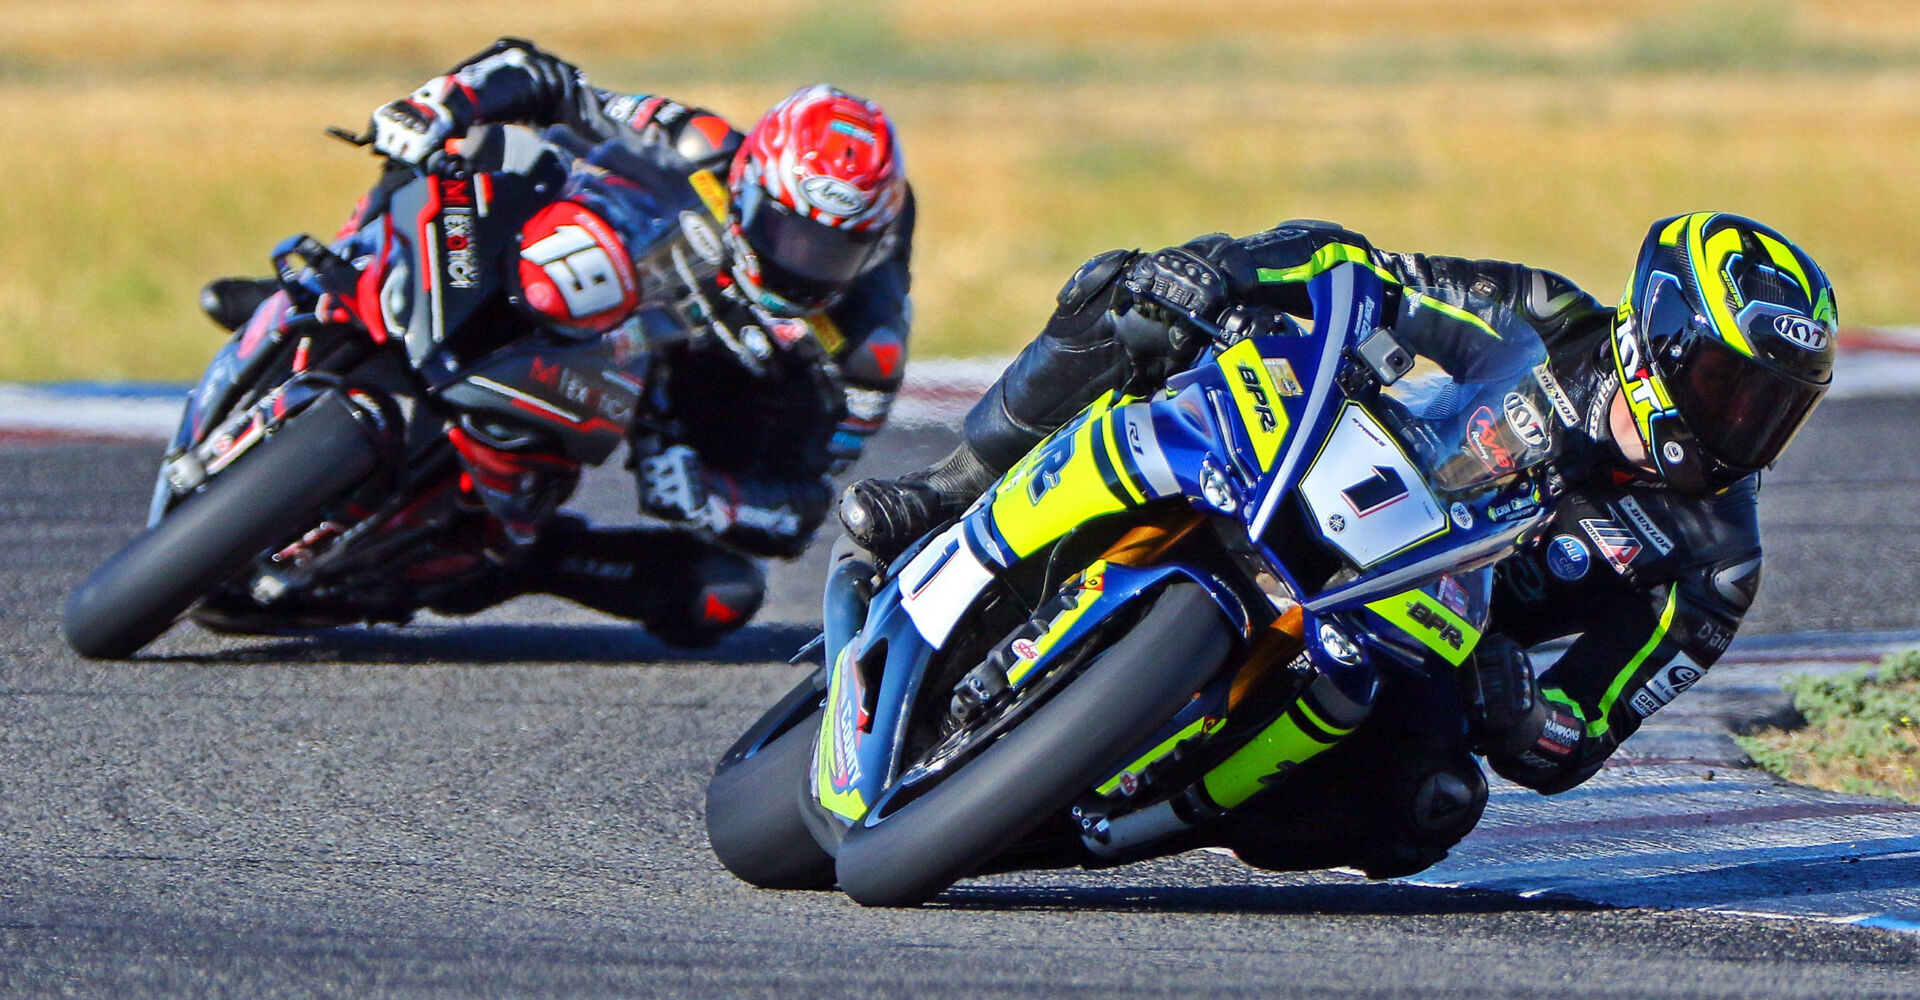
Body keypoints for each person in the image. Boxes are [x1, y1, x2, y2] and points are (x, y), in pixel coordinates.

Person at [839, 213, 1836, 874]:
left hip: (1415, 632)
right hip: (1320, 463)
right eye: (1727, 384)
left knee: (1433, 807)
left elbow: (1576, 740)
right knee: (1130, 295)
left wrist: (1524, 707)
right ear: (1655, 332)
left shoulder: (1715, 565)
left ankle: (1159, 803)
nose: (1743, 423)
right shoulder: (1545, 313)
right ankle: (940, 499)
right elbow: (1364, 277)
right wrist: (1232, 268)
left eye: (1774, 411)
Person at [202, 38, 915, 646]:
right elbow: (544, 78)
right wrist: (438, 106)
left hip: (658, 412)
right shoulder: (700, 144)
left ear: (871, 244)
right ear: (754, 180)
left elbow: (803, 505)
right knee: (477, 148)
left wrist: (708, 494)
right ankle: (348, 277)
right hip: (563, 284)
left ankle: (507, 555)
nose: (800, 260)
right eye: (789, 230)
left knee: (720, 593)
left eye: (830, 249)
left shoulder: (864, 348)